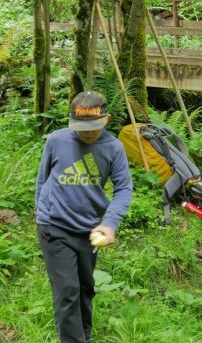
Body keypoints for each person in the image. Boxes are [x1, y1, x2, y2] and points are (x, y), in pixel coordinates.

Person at [35, 91, 133, 343]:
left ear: (107, 119)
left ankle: (83, 335)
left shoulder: (113, 148)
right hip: (53, 225)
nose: (86, 133)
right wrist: (41, 213)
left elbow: (123, 189)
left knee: (85, 288)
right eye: (80, 128)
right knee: (67, 291)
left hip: (90, 230)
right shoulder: (56, 140)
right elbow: (42, 179)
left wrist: (109, 223)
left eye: (92, 128)